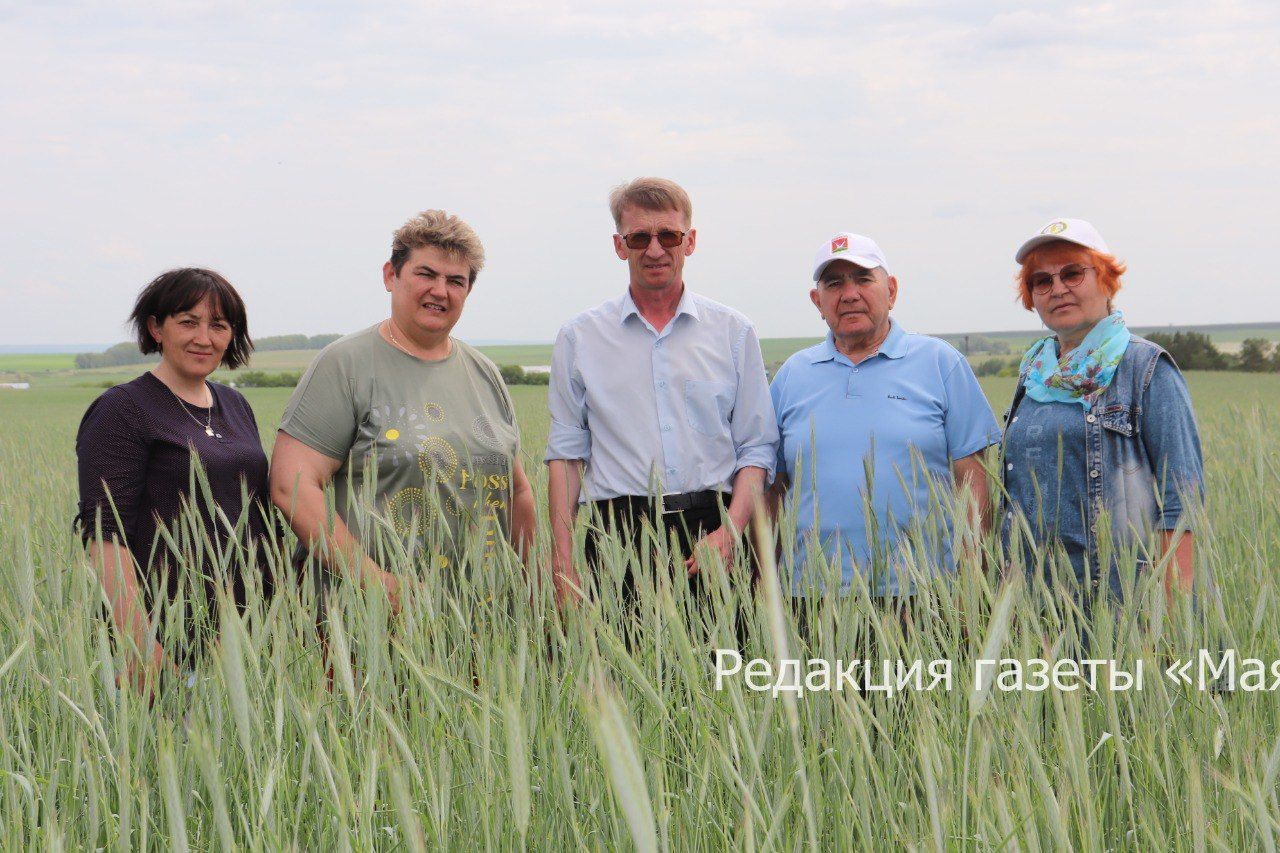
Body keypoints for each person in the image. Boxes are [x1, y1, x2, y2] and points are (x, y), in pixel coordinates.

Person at [270, 210, 535, 613]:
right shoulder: (345, 365)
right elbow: (292, 486)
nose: (440, 291)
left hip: (484, 623)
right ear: (390, 276)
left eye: (455, 281)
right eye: (426, 274)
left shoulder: (485, 373)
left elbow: (515, 491)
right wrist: (377, 583)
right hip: (367, 624)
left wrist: (536, 590)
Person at [544, 177, 778, 615]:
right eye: (639, 237)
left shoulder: (733, 332)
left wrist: (731, 531)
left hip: (713, 532)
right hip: (616, 536)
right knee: (615, 678)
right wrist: (562, 562)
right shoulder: (580, 337)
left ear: (689, 241)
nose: (654, 249)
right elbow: (566, 456)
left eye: (668, 235)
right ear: (619, 245)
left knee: (720, 675)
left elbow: (756, 448)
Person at [769, 233, 1000, 604]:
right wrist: (766, 581)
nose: (849, 294)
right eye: (834, 283)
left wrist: (971, 579)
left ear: (891, 290)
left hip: (924, 595)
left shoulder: (941, 363)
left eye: (863, 279)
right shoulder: (792, 375)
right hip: (811, 597)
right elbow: (773, 488)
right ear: (817, 301)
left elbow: (972, 477)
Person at [75, 268, 273, 692]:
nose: (205, 337)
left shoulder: (235, 405)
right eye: (188, 322)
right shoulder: (121, 410)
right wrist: (141, 644)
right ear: (155, 328)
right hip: (163, 644)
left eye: (219, 325)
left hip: (241, 640)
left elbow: (255, 517)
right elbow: (105, 535)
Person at [1001, 218, 1203, 600]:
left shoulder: (1145, 369)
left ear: (1107, 280)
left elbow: (1182, 503)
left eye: (1073, 274)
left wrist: (1171, 622)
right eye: (1042, 280)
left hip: (1118, 603)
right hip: (1032, 607)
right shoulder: (1034, 374)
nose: (1057, 288)